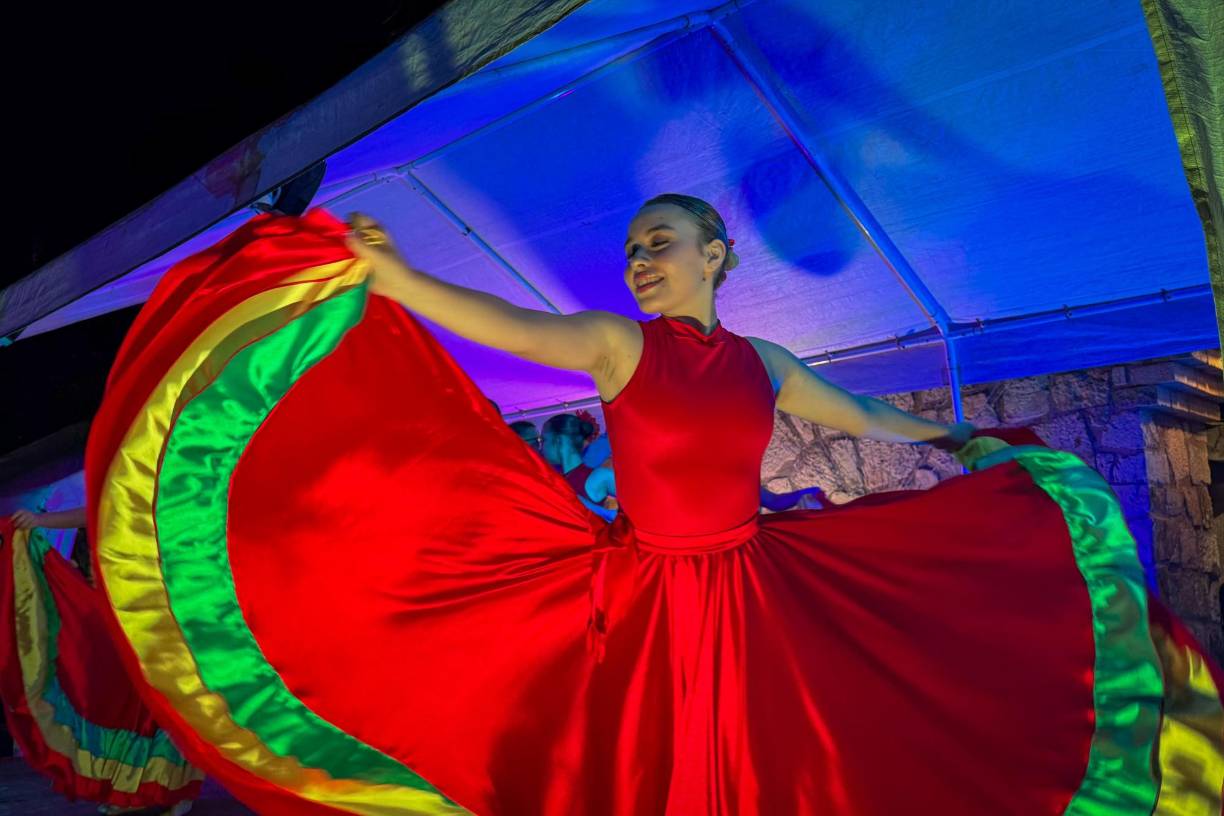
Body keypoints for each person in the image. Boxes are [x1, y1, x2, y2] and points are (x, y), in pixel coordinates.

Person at [84, 200, 1223, 815]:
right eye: (632, 248)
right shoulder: (617, 345)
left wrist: (963, 441)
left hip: (755, 587)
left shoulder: (761, 361)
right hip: (645, 603)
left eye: (661, 245)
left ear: (716, 256)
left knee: (801, 765)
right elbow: (505, 326)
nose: (639, 260)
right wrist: (397, 279)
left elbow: (862, 415)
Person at [0, 516, 201, 815]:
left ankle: (175, 788)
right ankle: (138, 789)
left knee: (164, 698)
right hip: (128, 599)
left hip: (161, 595)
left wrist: (43, 519)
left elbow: (102, 508)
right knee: (134, 700)